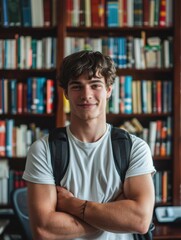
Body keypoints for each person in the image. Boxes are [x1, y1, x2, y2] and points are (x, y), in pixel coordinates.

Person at [23, 50, 156, 240]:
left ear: (109, 90)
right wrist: (114, 217)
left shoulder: (135, 148)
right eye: (77, 86)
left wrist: (71, 204)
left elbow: (140, 221)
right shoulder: (43, 150)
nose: (86, 95)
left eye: (95, 85)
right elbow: (44, 230)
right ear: (66, 93)